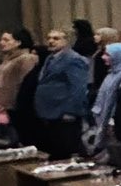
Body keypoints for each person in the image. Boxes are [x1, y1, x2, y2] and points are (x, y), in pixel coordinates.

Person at [32, 28, 91, 160]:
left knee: (66, 150)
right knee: (55, 150)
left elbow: (78, 88)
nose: (51, 41)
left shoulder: (74, 59)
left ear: (67, 41)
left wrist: (70, 111)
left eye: (56, 38)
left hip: (64, 113)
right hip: (49, 112)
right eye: (49, 38)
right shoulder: (50, 58)